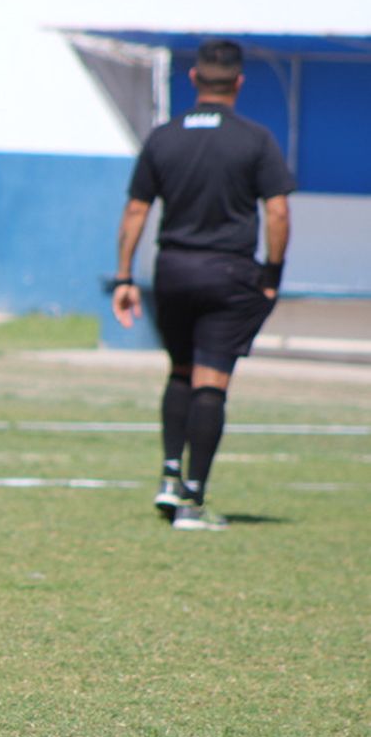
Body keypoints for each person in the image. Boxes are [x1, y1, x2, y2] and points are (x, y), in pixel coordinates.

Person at [111, 38, 293, 531]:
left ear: (194, 80)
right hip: (229, 273)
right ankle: (192, 501)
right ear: (238, 82)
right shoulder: (255, 139)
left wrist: (125, 275)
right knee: (211, 382)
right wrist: (273, 274)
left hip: (173, 271)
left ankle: (170, 476)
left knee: (180, 370)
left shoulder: (164, 136)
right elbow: (277, 210)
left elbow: (136, 211)